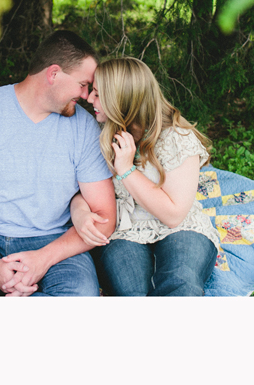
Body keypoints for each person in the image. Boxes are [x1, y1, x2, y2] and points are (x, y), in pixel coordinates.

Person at [0, 31, 116, 296]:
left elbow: (105, 217)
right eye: (83, 84)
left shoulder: (83, 129)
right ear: (53, 74)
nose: (86, 96)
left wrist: (43, 259)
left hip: (53, 241)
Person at [71, 57, 220, 296]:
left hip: (181, 229)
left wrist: (126, 169)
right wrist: (79, 212)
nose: (88, 99)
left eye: (98, 94)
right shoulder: (99, 135)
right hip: (124, 230)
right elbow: (83, 192)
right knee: (132, 293)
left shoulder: (177, 138)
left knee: (181, 282)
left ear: (123, 99)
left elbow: (173, 215)